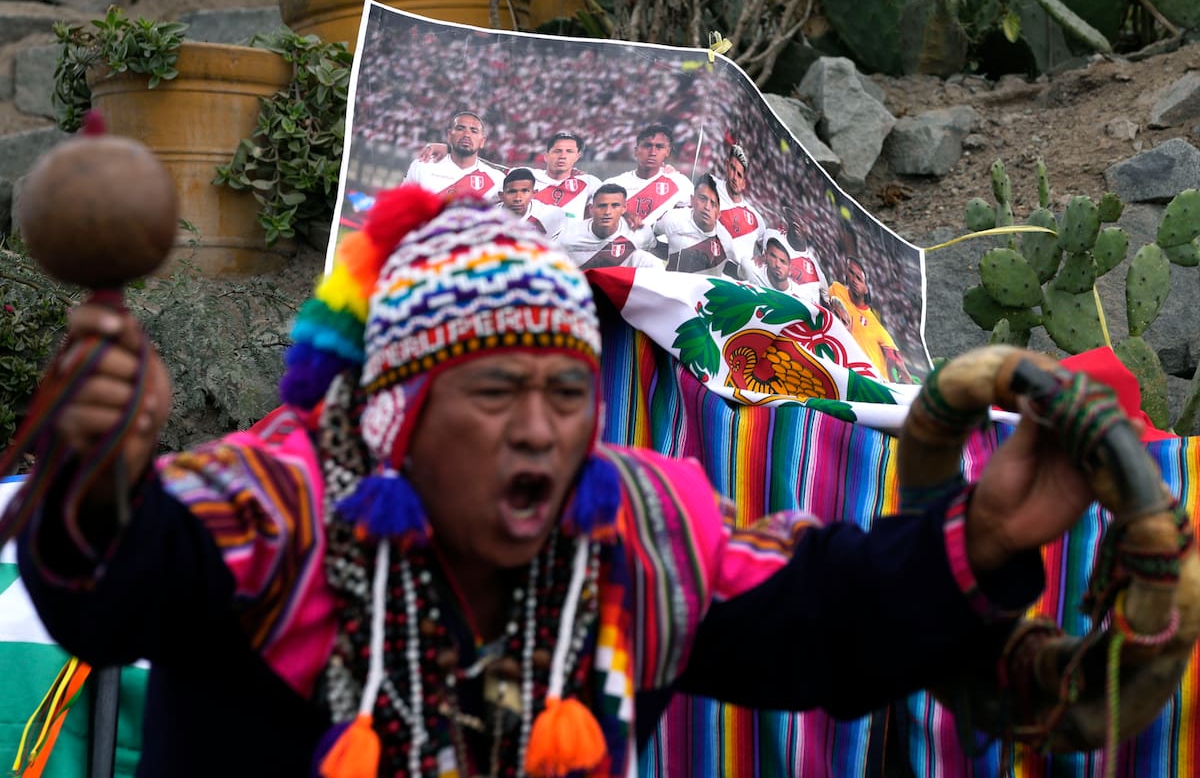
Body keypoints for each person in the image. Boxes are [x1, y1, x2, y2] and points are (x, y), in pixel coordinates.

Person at [13, 185, 1095, 778]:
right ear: (400, 409)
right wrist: (94, 469)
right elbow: (110, 593)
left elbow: (824, 613)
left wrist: (987, 529)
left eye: (566, 392)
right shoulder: (280, 501)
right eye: (494, 394)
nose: (540, 430)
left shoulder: (639, 527)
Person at [829, 256, 914, 383]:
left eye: (859, 278)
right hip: (844, 375)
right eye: (851, 273)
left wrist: (909, 381)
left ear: (866, 288)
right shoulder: (836, 290)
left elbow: (897, 361)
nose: (853, 280)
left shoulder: (875, 325)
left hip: (874, 383)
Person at [605, 123, 694, 230]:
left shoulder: (680, 183)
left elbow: (691, 219)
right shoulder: (613, 184)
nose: (652, 152)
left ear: (668, 152)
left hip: (659, 245)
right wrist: (623, 215)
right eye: (647, 146)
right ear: (636, 151)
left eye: (659, 147)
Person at [654, 173, 747, 276]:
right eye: (703, 198)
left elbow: (731, 268)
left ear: (718, 214)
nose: (707, 207)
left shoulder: (725, 240)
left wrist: (745, 272)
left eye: (713, 204)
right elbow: (650, 236)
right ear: (692, 200)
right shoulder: (673, 218)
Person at [554, 183, 661, 269]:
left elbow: (659, 259)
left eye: (615, 206)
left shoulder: (640, 232)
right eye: (602, 206)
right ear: (591, 209)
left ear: (624, 208)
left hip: (623, 290)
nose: (607, 212)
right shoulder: (569, 235)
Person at [404, 110, 506, 200]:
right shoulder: (422, 166)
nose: (466, 134)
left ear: (482, 141)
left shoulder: (497, 179)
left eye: (474, 131)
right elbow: (402, 205)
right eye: (460, 129)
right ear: (449, 135)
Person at [713, 144, 767, 281]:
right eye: (732, 168)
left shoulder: (756, 218)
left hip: (737, 283)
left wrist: (764, 257)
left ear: (744, 182)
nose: (734, 178)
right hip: (709, 269)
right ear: (726, 165)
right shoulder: (710, 184)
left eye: (739, 175)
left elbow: (768, 250)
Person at [529, 131, 602, 224]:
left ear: (577, 157)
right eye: (557, 151)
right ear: (546, 156)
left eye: (569, 151)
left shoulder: (590, 182)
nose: (562, 156)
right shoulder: (528, 176)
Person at [499, 168, 564, 237]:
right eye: (512, 192)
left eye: (525, 191)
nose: (518, 198)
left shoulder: (550, 215)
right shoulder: (488, 216)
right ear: (501, 195)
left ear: (534, 193)